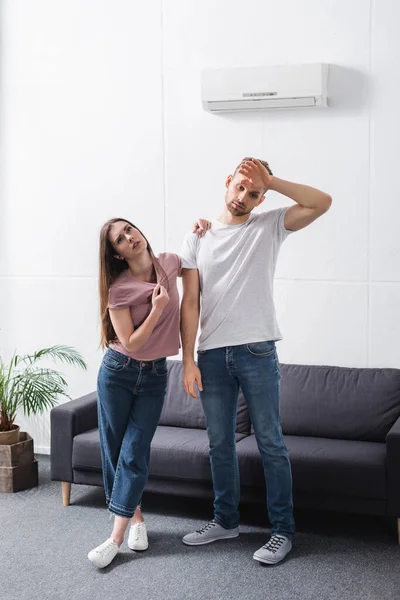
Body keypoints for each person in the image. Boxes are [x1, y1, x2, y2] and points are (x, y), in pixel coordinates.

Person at [180, 157, 332, 565]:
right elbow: (190, 302)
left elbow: (322, 202)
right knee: (219, 444)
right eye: (241, 187)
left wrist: (274, 181)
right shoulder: (198, 237)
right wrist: (188, 359)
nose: (244, 197)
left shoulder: (269, 225)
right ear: (227, 181)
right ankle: (225, 520)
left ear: (262, 197)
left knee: (270, 443)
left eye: (254, 193)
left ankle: (282, 531)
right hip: (211, 355)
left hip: (257, 351)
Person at [88, 216, 210, 569]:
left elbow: (192, 255)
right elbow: (131, 342)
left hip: (156, 374)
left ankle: (114, 539)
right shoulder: (119, 290)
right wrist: (157, 309)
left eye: (129, 230)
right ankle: (135, 520)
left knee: (135, 449)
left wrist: (200, 229)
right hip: (119, 373)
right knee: (117, 450)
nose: (129, 238)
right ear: (117, 255)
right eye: (120, 240)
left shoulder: (169, 263)